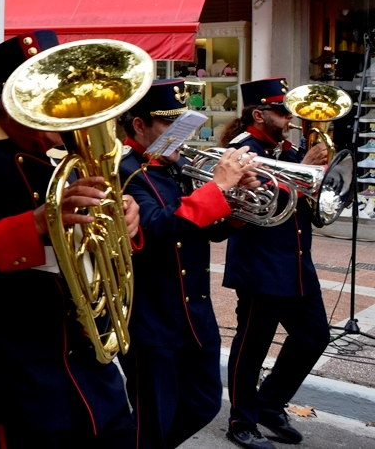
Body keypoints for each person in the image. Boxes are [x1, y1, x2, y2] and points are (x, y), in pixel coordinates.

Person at [0, 31, 142, 449]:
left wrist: (124, 221)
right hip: (16, 369)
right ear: (13, 101)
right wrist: (37, 223)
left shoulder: (74, 156)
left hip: (92, 367)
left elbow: (100, 242)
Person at [118, 79, 258, 449]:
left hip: (195, 315)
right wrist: (218, 189)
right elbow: (158, 228)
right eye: (171, 125)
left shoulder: (178, 167)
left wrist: (238, 203)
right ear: (139, 125)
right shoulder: (125, 172)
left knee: (204, 404)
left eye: (186, 125)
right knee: (152, 420)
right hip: (152, 317)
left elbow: (206, 231)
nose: (182, 135)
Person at [219, 77, 330, 449]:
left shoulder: (288, 149)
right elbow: (251, 201)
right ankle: (241, 420)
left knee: (314, 336)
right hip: (260, 265)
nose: (290, 118)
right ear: (259, 114)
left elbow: (305, 202)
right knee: (253, 345)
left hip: (296, 262)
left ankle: (269, 403)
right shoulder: (241, 150)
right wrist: (303, 172)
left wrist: (322, 180)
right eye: (282, 112)